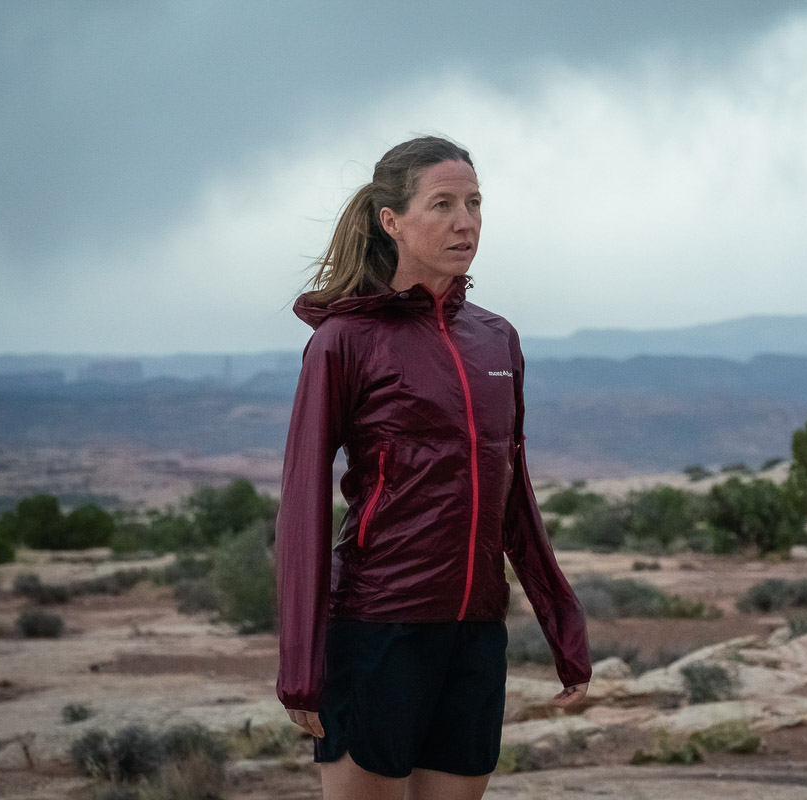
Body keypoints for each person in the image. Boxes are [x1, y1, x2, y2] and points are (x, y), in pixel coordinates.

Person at [275, 136, 591, 800]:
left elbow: (514, 498)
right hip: (377, 628)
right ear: (392, 221)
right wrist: (301, 668)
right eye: (442, 204)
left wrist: (563, 629)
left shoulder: (496, 339)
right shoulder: (344, 341)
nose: (465, 221)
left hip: (475, 635)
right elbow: (302, 501)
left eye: (474, 203)